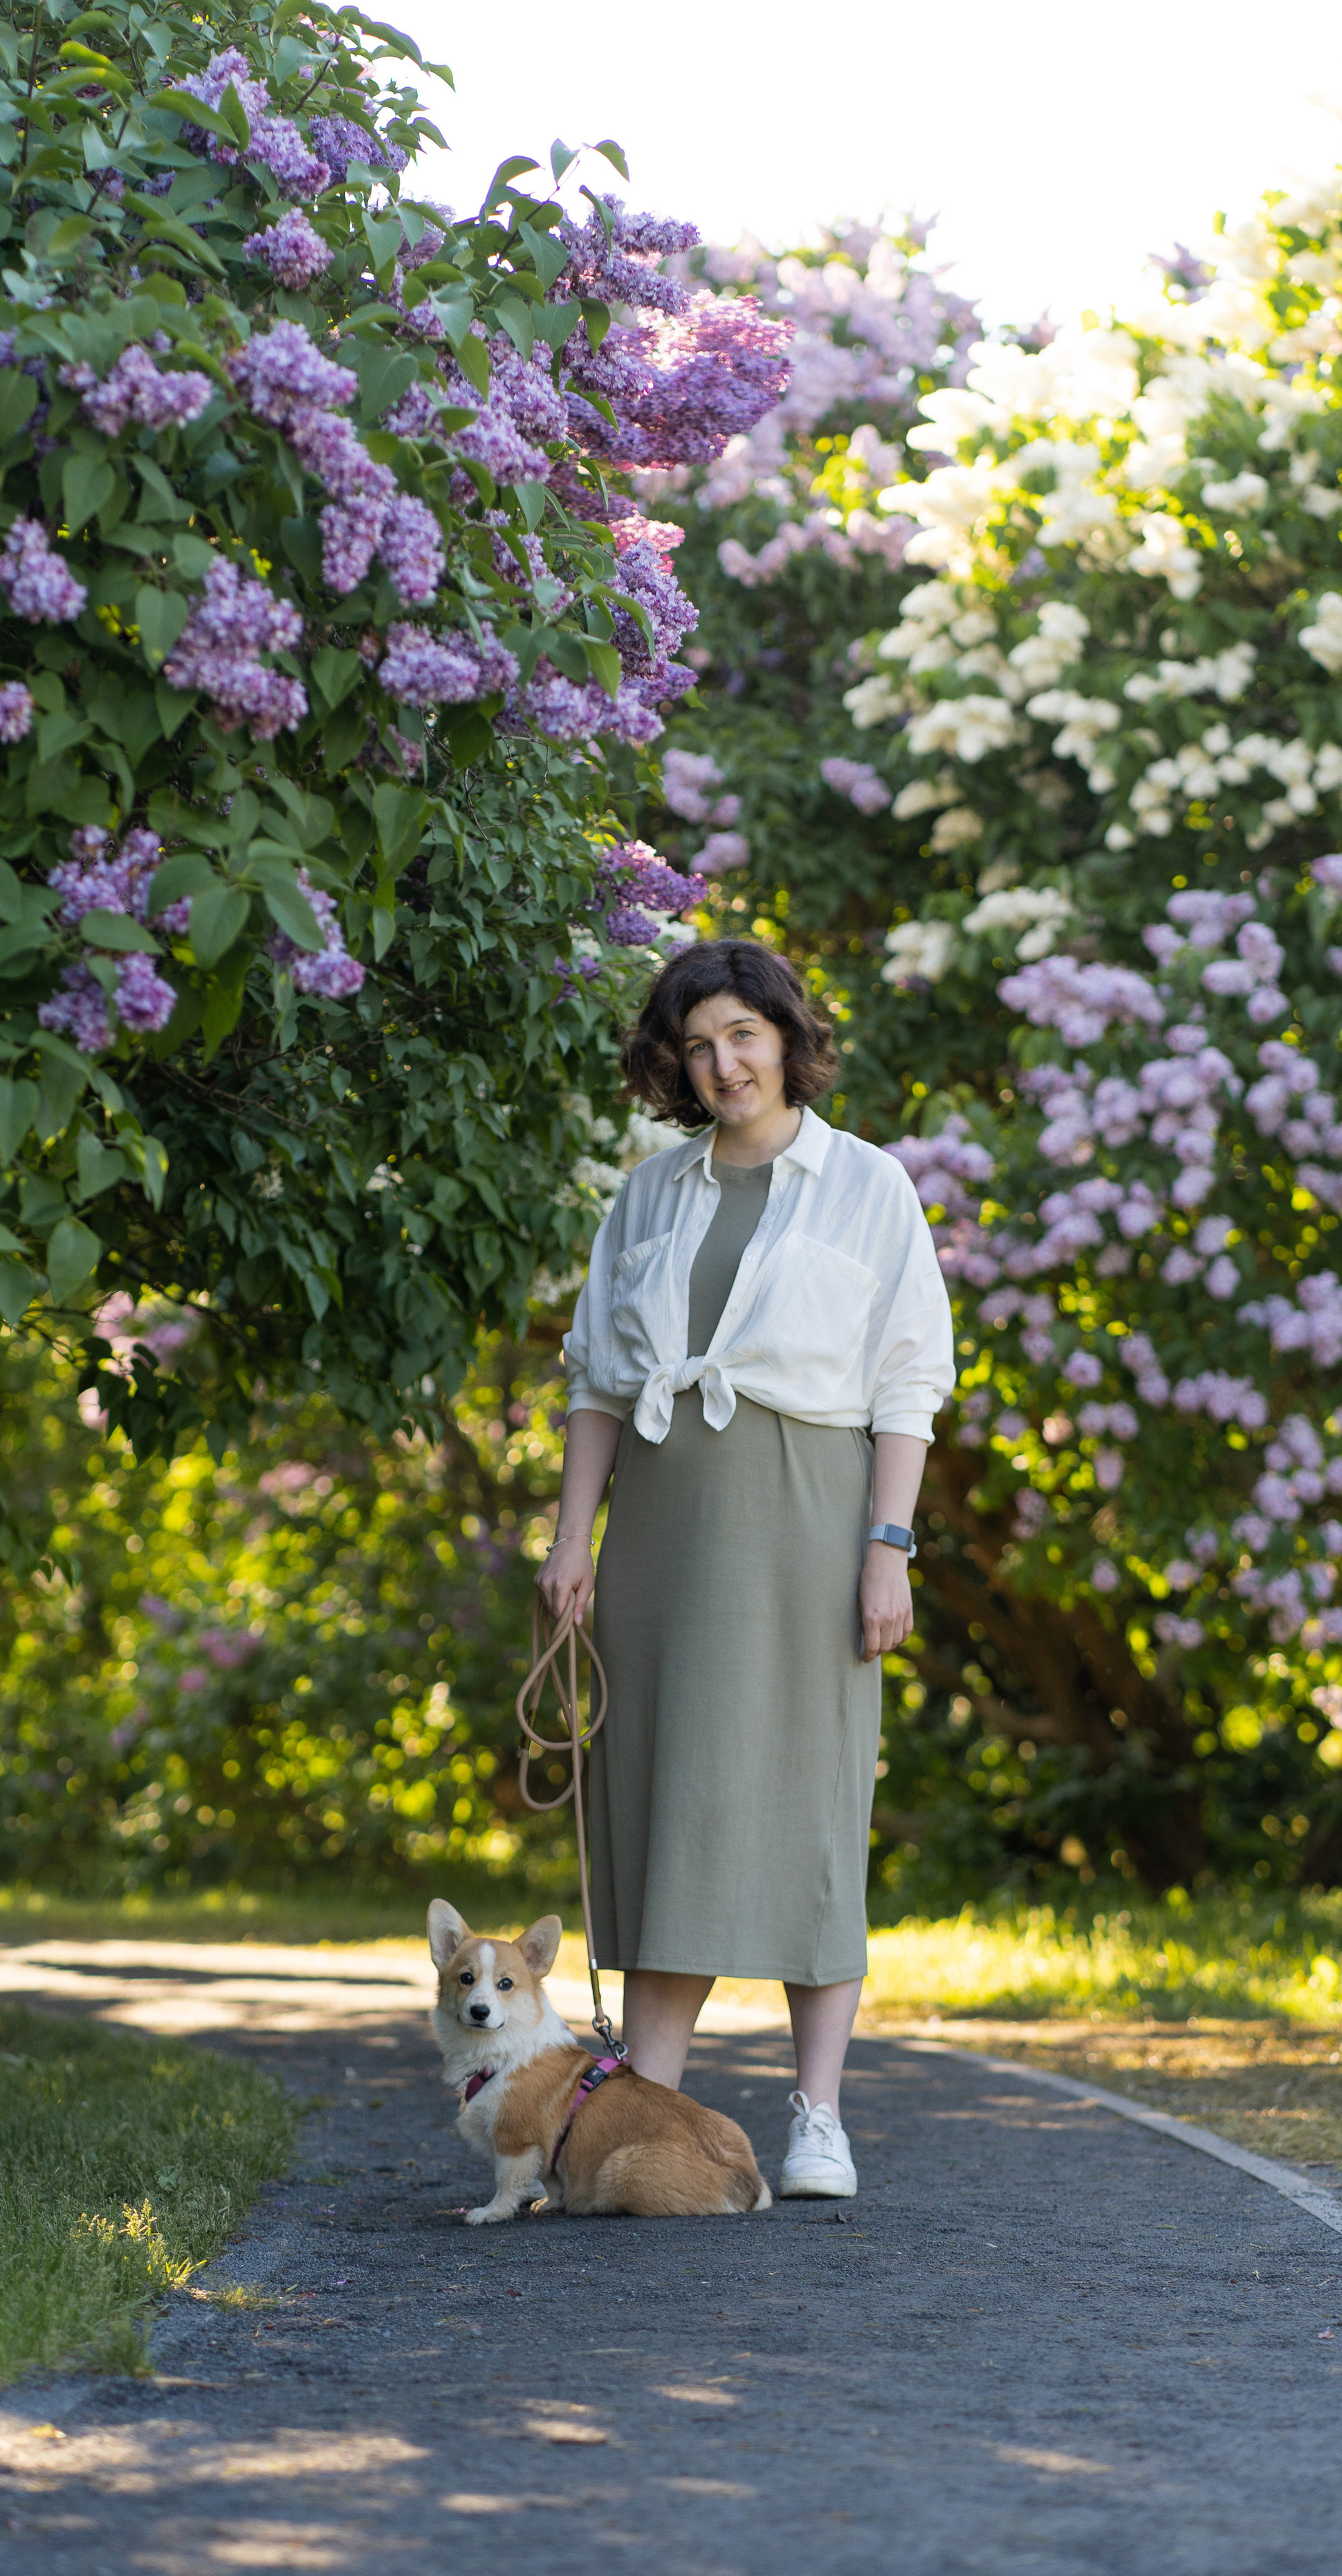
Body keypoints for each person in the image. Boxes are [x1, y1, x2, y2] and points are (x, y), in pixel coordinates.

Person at [538, 938, 955, 2198]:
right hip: (665, 1523)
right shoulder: (652, 1197)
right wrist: (571, 1538)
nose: (724, 1065)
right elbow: (599, 1381)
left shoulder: (868, 1185)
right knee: (673, 1805)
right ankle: (642, 2113)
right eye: (699, 1046)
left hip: (808, 1517)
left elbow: (908, 1380)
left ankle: (817, 2116)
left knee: (807, 1806)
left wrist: (890, 1547)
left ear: (785, 1036)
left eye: (743, 1036)